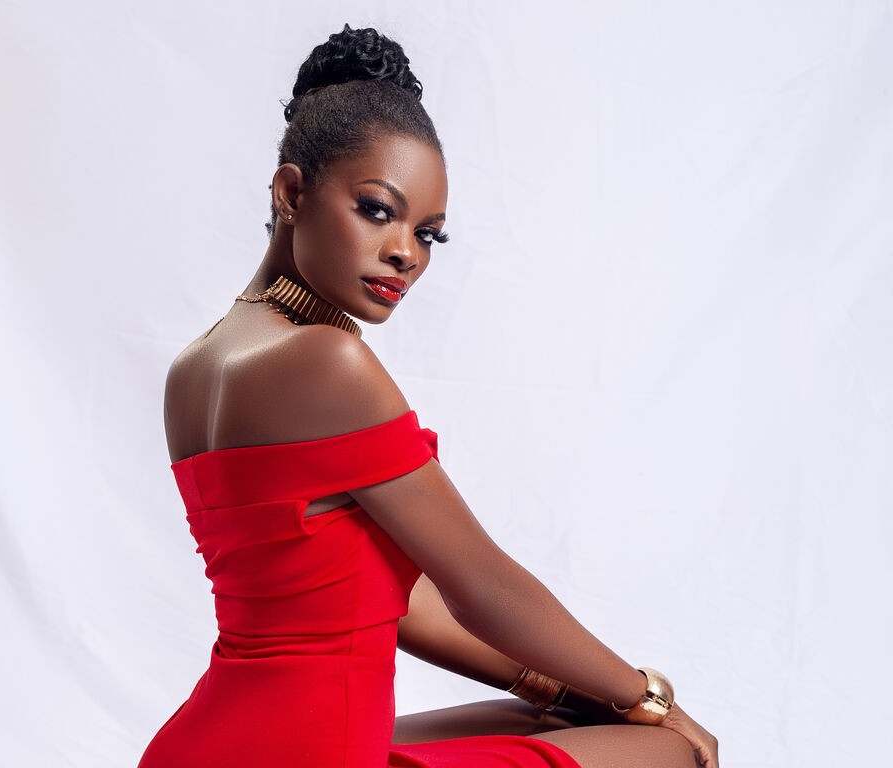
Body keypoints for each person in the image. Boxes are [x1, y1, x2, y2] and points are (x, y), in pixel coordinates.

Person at [138, 24, 719, 768]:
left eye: (429, 234)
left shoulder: (195, 368)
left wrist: (558, 688)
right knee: (669, 755)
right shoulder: (327, 360)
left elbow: (393, 603)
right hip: (313, 750)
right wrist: (650, 699)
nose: (405, 253)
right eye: (378, 210)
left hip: (209, 745)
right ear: (292, 192)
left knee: (547, 713)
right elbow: (480, 584)